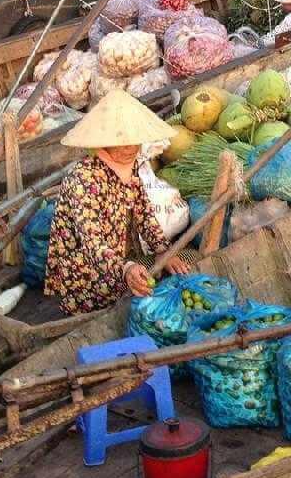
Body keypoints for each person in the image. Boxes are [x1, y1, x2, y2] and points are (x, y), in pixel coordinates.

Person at [44, 90, 193, 314]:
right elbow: (93, 245)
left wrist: (163, 249)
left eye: (134, 141)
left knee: (172, 269)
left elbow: (143, 210)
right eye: (121, 142)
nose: (131, 148)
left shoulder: (129, 166)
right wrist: (126, 268)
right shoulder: (83, 179)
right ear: (103, 143)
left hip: (117, 259)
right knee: (132, 291)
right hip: (86, 271)